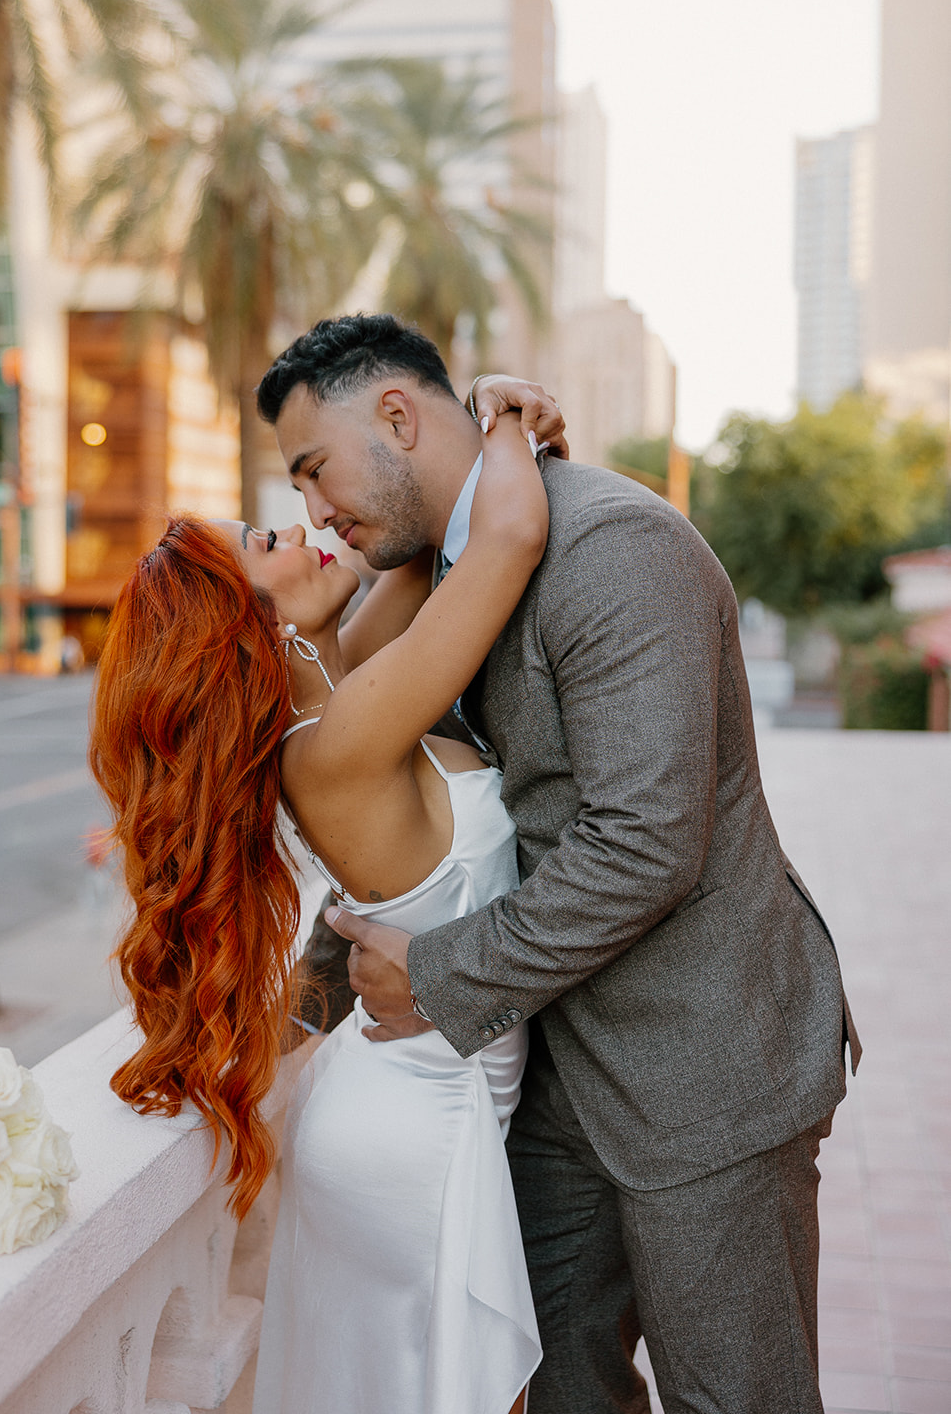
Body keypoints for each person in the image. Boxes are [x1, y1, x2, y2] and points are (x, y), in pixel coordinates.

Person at [256, 312, 863, 1414]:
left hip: (707, 1066)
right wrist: (292, 1006)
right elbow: (412, 840)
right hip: (555, 1077)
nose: (314, 512)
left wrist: (436, 975)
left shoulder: (609, 551)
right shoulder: (456, 577)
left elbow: (645, 842)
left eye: (313, 468)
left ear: (395, 415)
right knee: (555, 1392)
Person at [89, 389, 567, 1414]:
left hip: (410, 1101)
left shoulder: (335, 687)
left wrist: (442, 455)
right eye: (270, 536)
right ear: (247, 617)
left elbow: (412, 549)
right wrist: (507, 416)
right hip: (418, 1131)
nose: (307, 528)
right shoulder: (341, 741)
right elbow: (509, 535)